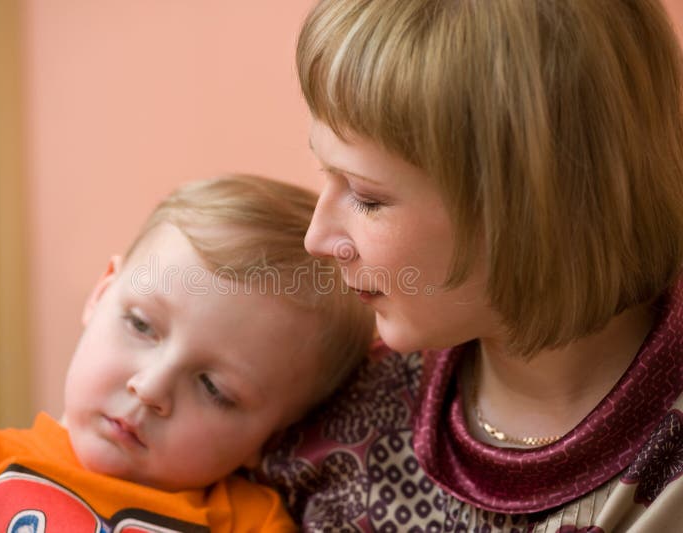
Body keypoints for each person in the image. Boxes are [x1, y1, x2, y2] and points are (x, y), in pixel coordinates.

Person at [258, 0, 683, 531]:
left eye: (366, 197)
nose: (317, 238)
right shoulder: (329, 417)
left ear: (534, 211)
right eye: (324, 173)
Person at [0, 174, 374, 532]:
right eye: (141, 325)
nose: (151, 387)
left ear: (274, 435)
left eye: (214, 389)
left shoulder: (252, 525)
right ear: (101, 294)